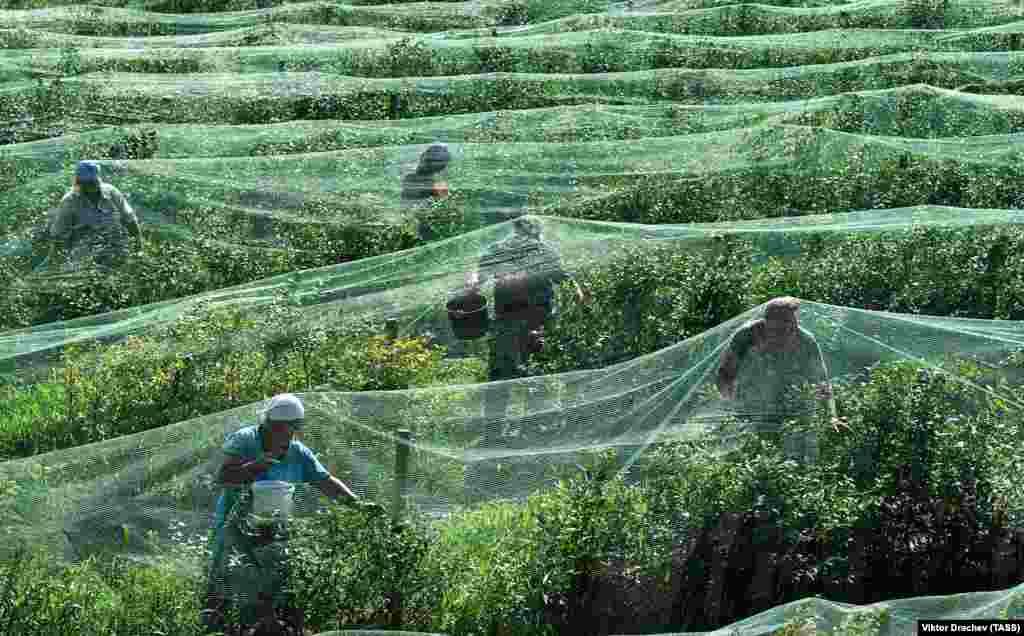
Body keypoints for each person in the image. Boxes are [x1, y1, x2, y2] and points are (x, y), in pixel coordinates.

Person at [201, 393, 385, 633]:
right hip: (235, 524)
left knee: (276, 581)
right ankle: (214, 627)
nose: (286, 433)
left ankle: (274, 628)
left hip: (275, 528)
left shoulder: (297, 452)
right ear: (267, 425)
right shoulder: (246, 440)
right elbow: (224, 477)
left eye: (292, 428)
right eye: (280, 428)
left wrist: (357, 505)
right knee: (226, 577)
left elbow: (325, 481)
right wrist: (257, 465)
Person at [463, 217, 591, 499]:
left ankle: (523, 427)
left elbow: (564, 276)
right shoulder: (506, 250)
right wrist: (472, 283)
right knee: (508, 375)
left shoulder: (541, 252)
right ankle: (499, 430)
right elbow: (478, 270)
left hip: (533, 320)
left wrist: (579, 290)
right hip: (518, 320)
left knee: (527, 373)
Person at [716, 297, 836, 464]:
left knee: (794, 453)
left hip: (792, 402)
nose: (791, 326)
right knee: (750, 450)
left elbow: (822, 381)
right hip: (752, 402)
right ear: (768, 321)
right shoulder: (746, 335)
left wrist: (831, 416)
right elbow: (726, 371)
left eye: (793, 321)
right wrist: (728, 403)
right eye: (785, 321)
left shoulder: (805, 340)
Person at [47, 160, 144, 271]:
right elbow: (58, 235)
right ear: (78, 182)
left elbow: (130, 220)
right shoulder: (69, 202)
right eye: (86, 183)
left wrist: (139, 250)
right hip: (85, 249)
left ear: (98, 179)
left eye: (92, 182)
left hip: (115, 244)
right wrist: (55, 263)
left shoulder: (111, 193)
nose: (90, 186)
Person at [400, 144, 451, 241]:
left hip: (406, 220)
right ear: (443, 167)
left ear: (422, 158)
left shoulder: (408, 178)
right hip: (422, 225)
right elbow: (445, 210)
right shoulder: (439, 186)